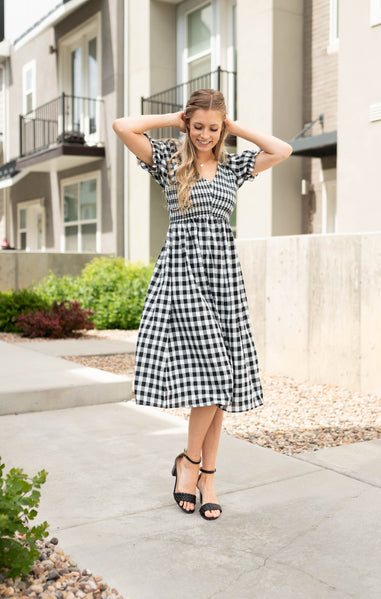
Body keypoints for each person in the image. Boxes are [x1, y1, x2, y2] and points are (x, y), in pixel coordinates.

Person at [113, 89, 292, 521]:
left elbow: (282, 149)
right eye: (198, 126)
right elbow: (122, 127)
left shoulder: (233, 166)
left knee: (223, 380)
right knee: (215, 371)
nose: (206, 135)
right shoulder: (169, 161)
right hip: (184, 276)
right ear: (187, 124)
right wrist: (173, 120)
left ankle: (205, 474)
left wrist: (234, 127)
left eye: (214, 128)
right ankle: (191, 465)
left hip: (224, 280)